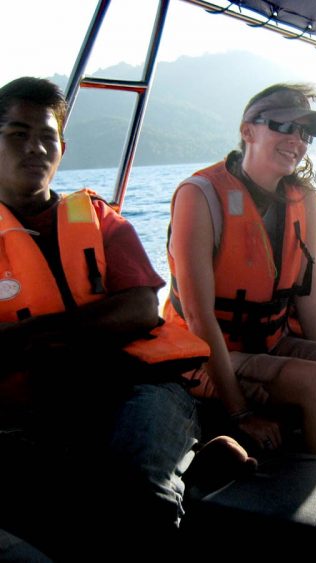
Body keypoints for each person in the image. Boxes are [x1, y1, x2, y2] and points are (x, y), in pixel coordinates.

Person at [0, 77, 210, 558]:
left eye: (48, 137)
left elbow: (139, 308)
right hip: (31, 403)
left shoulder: (100, 221)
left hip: (136, 386)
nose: (35, 147)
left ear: (62, 148)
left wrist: (23, 337)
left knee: (137, 491)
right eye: (17, 133)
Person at [164, 84, 316, 466]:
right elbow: (197, 317)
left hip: (271, 342)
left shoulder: (301, 197)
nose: (297, 140)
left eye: (305, 133)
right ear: (248, 131)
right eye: (283, 126)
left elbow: (309, 297)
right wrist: (240, 413)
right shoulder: (201, 195)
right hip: (208, 356)